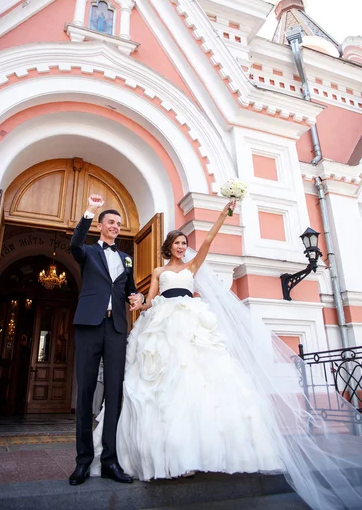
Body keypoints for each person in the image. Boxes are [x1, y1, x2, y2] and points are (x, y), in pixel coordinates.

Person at [90, 200, 362, 510]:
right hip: (163, 323)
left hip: (191, 322)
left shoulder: (193, 266)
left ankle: (204, 452)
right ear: (168, 247)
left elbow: (206, 241)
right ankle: (169, 454)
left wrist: (224, 213)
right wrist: (139, 303)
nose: (181, 247)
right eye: (177, 243)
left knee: (200, 381)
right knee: (164, 386)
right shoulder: (158, 270)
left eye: (183, 243)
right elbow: (151, 300)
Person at [69, 194, 143, 486]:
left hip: (116, 330)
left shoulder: (126, 258)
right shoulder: (87, 251)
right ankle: (83, 462)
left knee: (114, 395)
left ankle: (110, 461)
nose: (115, 226)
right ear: (100, 225)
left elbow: (131, 290)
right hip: (89, 326)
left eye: (118, 223)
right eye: (111, 222)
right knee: (86, 393)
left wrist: (138, 298)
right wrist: (89, 210)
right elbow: (74, 243)